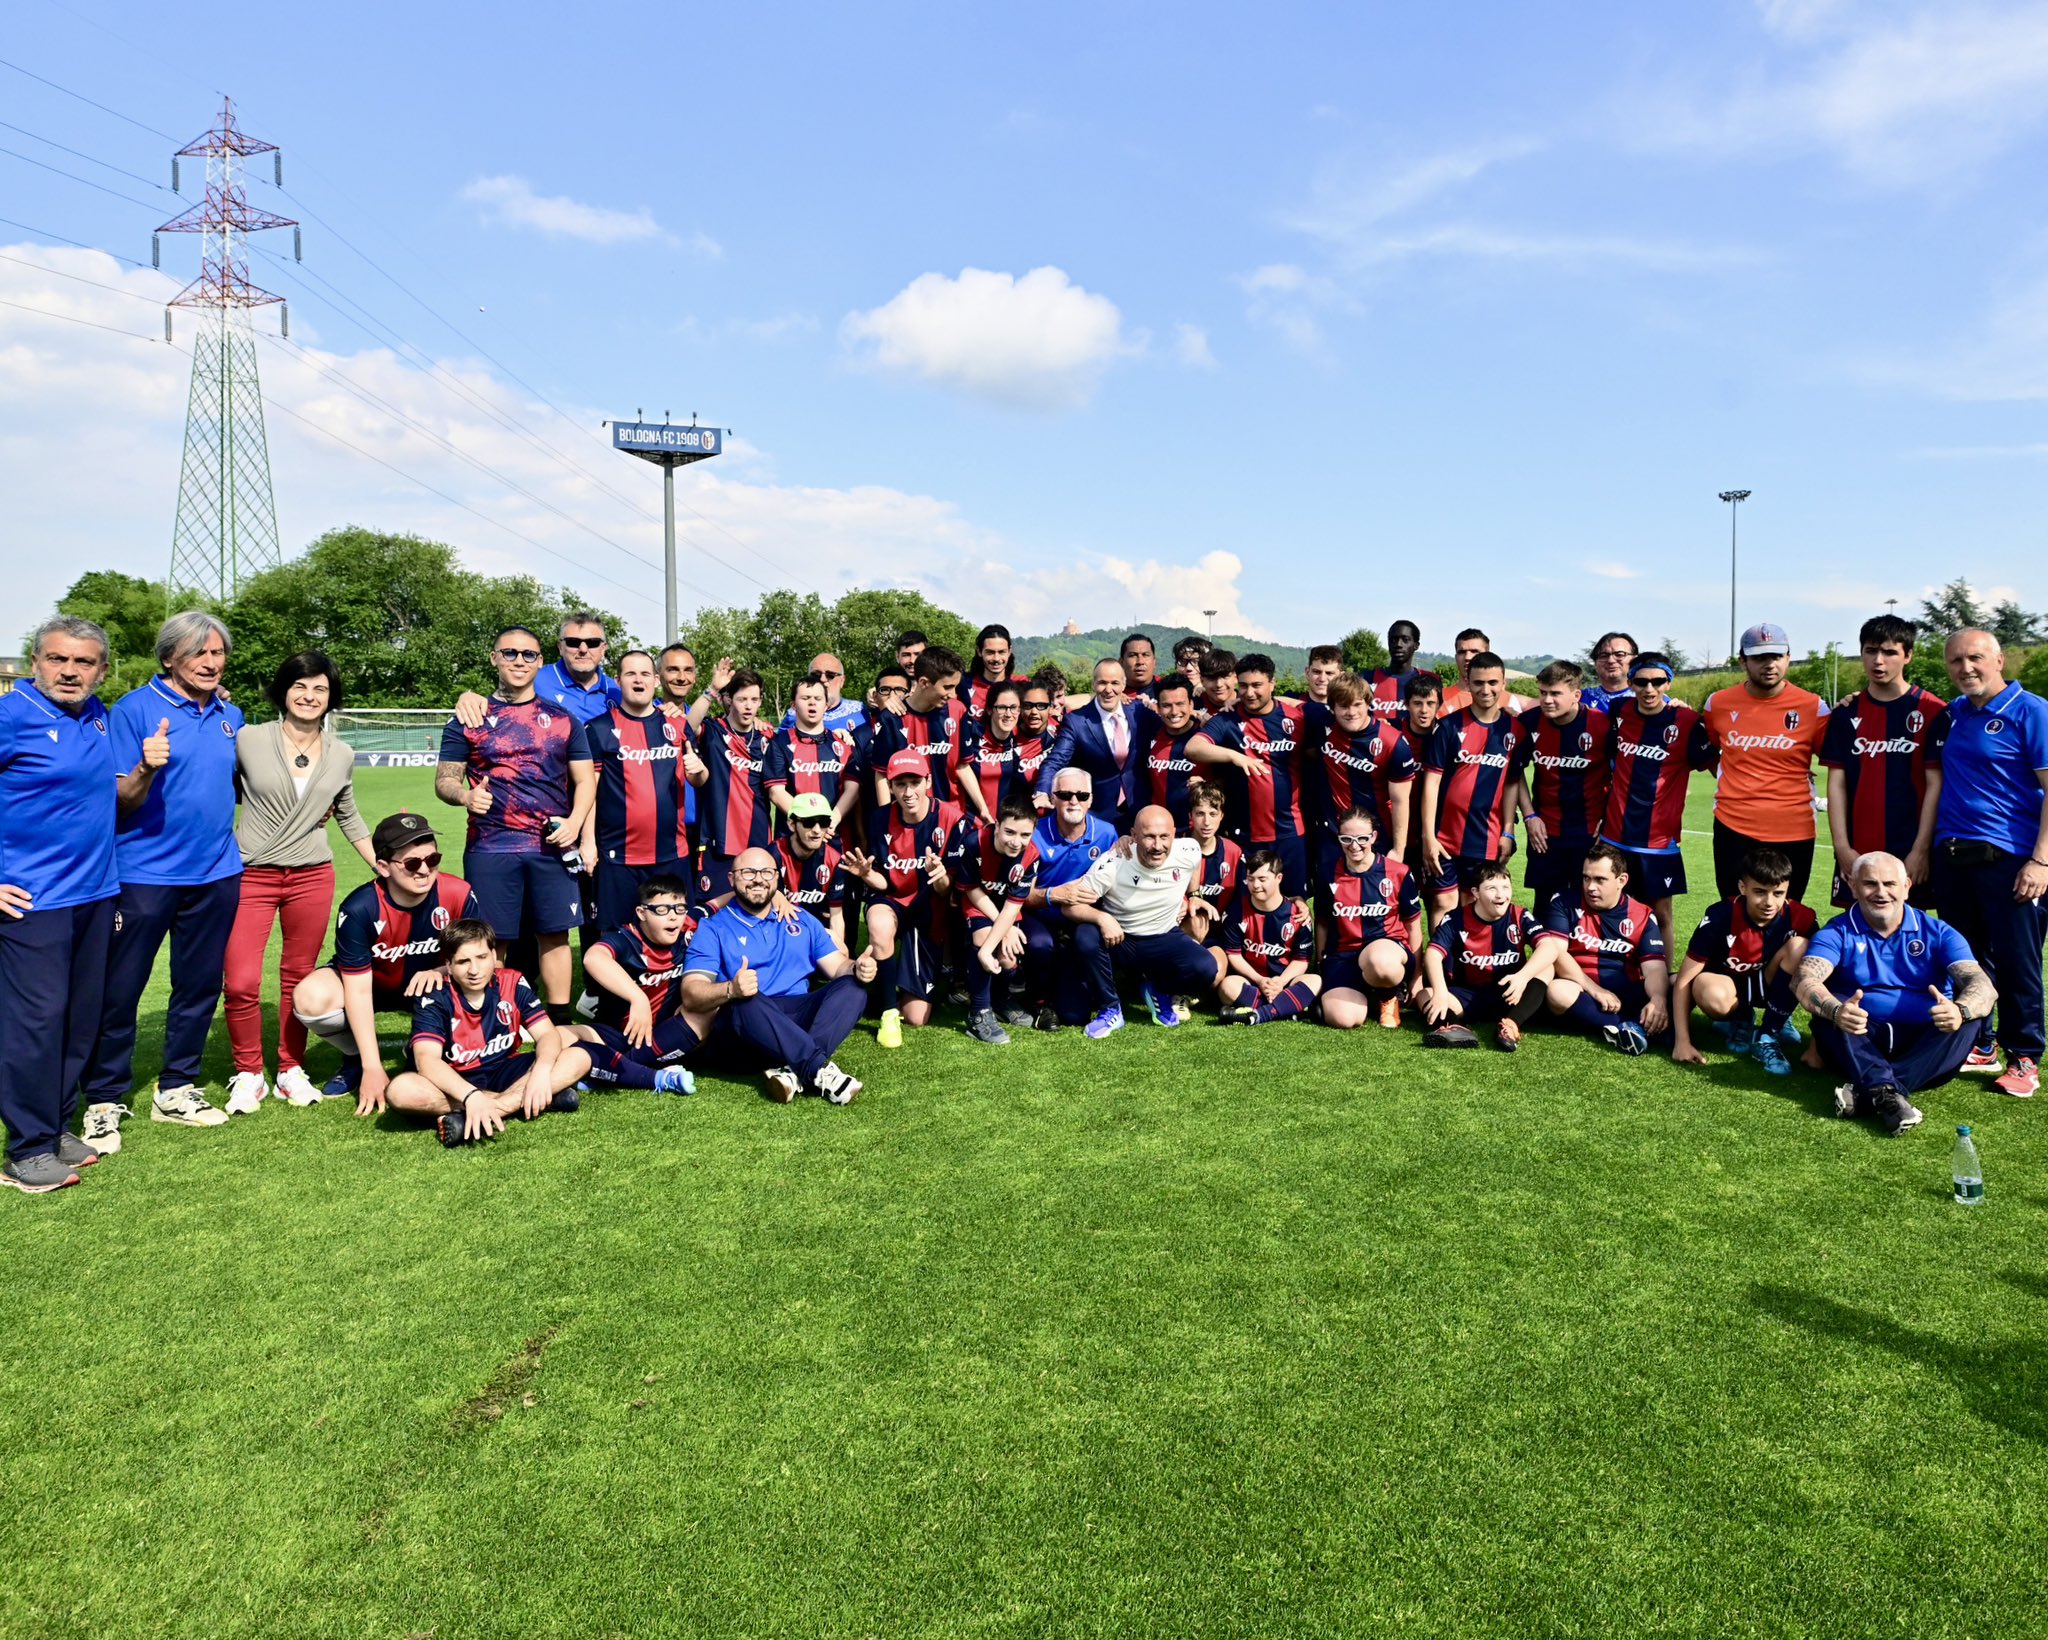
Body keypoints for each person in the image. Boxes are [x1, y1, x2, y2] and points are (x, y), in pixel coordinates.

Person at [81, 611, 245, 1133]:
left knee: (198, 987)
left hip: (217, 873)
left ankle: (177, 1087)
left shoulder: (230, 714)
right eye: (199, 653)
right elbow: (119, 801)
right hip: (144, 874)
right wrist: (147, 767)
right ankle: (104, 1098)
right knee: (121, 988)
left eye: (218, 653)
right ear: (170, 657)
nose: (211, 662)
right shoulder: (133, 710)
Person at [223, 651, 376, 1114]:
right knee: (241, 982)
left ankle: (291, 1068)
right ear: (284, 690)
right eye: (300, 686)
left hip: (312, 876)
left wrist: (381, 865)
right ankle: (248, 1073)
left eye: (320, 689)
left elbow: (348, 816)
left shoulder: (342, 753)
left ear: (331, 698)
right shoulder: (248, 739)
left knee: (297, 978)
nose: (309, 696)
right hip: (251, 872)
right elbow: (218, 792)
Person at [0, 617, 121, 1189]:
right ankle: (26, 1149)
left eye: (83, 662)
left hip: (95, 894)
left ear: (101, 670)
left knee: (78, 1022)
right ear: (34, 661)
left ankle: (53, 1127)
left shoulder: (96, 716)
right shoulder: (10, 716)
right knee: (37, 1023)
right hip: (32, 901)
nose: (69, 671)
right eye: (57, 659)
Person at [434, 626, 594, 1012]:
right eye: (510, 653)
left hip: (551, 846)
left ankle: (557, 1021)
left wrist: (574, 823)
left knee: (554, 936)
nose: (519, 661)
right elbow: (444, 780)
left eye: (528, 655)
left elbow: (586, 779)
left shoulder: (562, 719)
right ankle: (495, 1020)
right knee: (492, 941)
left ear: (540, 662)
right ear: (494, 658)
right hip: (491, 848)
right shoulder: (468, 718)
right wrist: (465, 796)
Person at [1796, 851, 1998, 1136]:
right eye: (1870, 884)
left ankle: (1873, 1092)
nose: (1881, 893)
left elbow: (1983, 986)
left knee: (1970, 1022)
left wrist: (1959, 1010)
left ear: (1907, 886)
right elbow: (1804, 980)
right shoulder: (1838, 932)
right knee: (1830, 1015)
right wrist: (1838, 1011)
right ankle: (1889, 1094)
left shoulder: (1939, 932)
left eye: (1890, 884)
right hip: (1862, 1035)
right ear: (1852, 886)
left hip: (1924, 1039)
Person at [1929, 627, 2048, 1096]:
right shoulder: (1956, 713)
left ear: (2000, 660)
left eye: (1975, 658)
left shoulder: (2031, 712)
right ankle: (1982, 1042)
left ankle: (2025, 1057)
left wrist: (2041, 862)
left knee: (2019, 961)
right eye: (1956, 661)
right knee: (1968, 958)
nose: (1966, 669)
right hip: (1955, 857)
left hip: (2013, 858)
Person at [292, 811, 478, 1110]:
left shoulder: (458, 893)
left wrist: (442, 970)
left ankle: (425, 1048)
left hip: (432, 989)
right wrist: (372, 1066)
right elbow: (359, 990)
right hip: (373, 985)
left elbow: (486, 962)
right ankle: (354, 1057)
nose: (424, 871)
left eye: (432, 860)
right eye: (412, 863)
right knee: (311, 997)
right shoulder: (360, 908)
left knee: (471, 981)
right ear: (383, 867)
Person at [680, 847, 875, 1103]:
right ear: (731, 879)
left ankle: (794, 1071)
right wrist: (730, 989)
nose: (758, 879)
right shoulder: (713, 928)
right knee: (744, 1001)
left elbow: (837, 966)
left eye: (766, 872)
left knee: (853, 987)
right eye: (748, 872)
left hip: (793, 1020)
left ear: (776, 878)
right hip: (746, 1032)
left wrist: (856, 968)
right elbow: (691, 994)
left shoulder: (801, 918)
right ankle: (818, 1069)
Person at [387, 919, 591, 1146]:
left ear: (494, 955)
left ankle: (492, 1110)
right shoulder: (435, 996)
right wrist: (470, 1095)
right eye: (463, 962)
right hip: (454, 1080)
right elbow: (427, 1061)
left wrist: (542, 1072)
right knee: (400, 1090)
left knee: (578, 1056)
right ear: (449, 965)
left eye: (482, 958)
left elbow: (547, 1034)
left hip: (504, 1068)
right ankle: (532, 1101)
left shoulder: (512, 981)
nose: (474, 970)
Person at [1047, 805, 1222, 1037]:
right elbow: (1070, 906)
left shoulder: (1188, 848)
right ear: (1134, 835)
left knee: (1206, 968)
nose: (1157, 846)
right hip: (1119, 940)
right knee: (1084, 944)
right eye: (1149, 837)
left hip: (1163, 937)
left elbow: (1195, 861)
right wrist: (1102, 917)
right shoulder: (1115, 861)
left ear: (1175, 835)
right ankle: (1110, 1010)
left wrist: (1195, 895)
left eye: (1164, 837)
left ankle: (1159, 990)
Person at [1821, 613, 1944, 906]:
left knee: (1913, 927)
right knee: (1857, 927)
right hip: (1858, 848)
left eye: (1889, 652)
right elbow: (1836, 785)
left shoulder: (1933, 711)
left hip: (1912, 847)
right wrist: (1842, 848)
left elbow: (1935, 785)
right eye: (1871, 650)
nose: (1879, 660)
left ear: (1908, 656)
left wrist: (1920, 850)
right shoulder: (1845, 714)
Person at [1703, 622, 1830, 900]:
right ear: (1743, 661)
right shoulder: (1718, 704)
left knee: (1787, 916)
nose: (1769, 664)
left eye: (1776, 655)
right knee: (1734, 912)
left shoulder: (1814, 707)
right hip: (1732, 826)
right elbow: (1711, 748)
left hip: (1793, 828)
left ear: (1788, 657)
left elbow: (1837, 763)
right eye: (1759, 657)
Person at [842, 751, 962, 1045]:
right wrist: (865, 874)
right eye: (900, 784)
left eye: (914, 782)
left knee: (917, 1018)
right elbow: (884, 881)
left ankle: (893, 983)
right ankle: (886, 1013)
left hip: (928, 907)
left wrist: (939, 875)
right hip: (892, 901)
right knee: (880, 925)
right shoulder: (880, 818)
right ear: (891, 787)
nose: (908, 792)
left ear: (928, 782)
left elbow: (947, 891)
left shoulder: (950, 818)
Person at [1601, 652, 1716, 957]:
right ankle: (1613, 971)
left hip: (1658, 841)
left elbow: (1716, 766)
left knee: (1661, 912)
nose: (1649, 689)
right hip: (1614, 836)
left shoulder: (1688, 721)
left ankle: (1664, 980)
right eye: (1641, 681)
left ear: (1669, 682)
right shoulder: (1619, 709)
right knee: (1607, 907)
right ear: (1630, 682)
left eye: (1657, 681)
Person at [1669, 847, 1816, 1075]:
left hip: (1769, 982)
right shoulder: (1720, 916)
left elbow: (1824, 976)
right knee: (1709, 991)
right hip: (1728, 986)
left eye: (1778, 893)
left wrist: (1816, 1045)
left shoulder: (1802, 917)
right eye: (1759, 891)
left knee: (1801, 948)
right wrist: (1682, 1041)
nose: (1769, 902)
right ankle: (1741, 1018)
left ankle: (1771, 1028)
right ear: (1742, 887)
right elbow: (1684, 980)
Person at [582, 649, 694, 938]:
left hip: (671, 853)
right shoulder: (599, 728)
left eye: (645, 673)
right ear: (618, 680)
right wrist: (588, 841)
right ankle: (608, 985)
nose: (638, 680)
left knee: (674, 933)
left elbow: (700, 778)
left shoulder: (677, 725)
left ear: (656, 680)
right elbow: (588, 790)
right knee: (615, 935)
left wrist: (699, 771)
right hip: (618, 856)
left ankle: (670, 984)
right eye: (630, 674)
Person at [1188, 652, 1316, 897]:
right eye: (1243, 685)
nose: (1249, 693)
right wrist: (1236, 756)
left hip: (1290, 830)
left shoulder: (1297, 718)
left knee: (1294, 903)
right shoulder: (1227, 720)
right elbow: (1193, 748)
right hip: (1246, 833)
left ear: (1272, 683)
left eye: (1257, 685)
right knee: (1247, 901)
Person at [567, 873, 704, 1096]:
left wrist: (776, 895)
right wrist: (637, 997)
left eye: (679, 908)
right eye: (661, 910)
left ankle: (612, 1069)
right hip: (617, 1034)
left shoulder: (687, 925)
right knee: (558, 1037)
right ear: (641, 913)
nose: (673, 917)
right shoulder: (626, 939)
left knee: (705, 1012)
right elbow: (593, 957)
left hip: (663, 1034)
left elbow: (717, 903)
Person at [1538, 843, 1672, 1056]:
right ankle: (1629, 1026)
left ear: (1622, 881)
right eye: (1586, 878)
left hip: (1627, 991)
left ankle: (1636, 1022)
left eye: (1600, 880)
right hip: (1583, 991)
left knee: (1678, 984)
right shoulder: (1563, 903)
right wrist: (1596, 990)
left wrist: (1657, 999)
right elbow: (1556, 954)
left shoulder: (1642, 915)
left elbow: (1654, 968)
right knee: (1556, 991)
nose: (1590, 887)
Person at [1419, 650, 1521, 915]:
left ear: (1503, 683)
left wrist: (1508, 831)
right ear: (1468, 681)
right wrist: (1428, 836)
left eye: (1492, 683)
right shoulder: (1449, 726)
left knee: (1473, 904)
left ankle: (1467, 958)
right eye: (1478, 683)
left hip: (1486, 838)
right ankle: (1441, 958)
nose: (1485, 689)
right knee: (1443, 902)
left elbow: (1512, 784)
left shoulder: (1515, 731)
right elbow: (1431, 783)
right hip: (1445, 837)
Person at [1511, 660, 1610, 921]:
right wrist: (1530, 815)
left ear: (1576, 695)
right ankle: (1546, 962)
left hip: (1589, 833)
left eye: (1555, 693)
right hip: (1545, 834)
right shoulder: (1529, 722)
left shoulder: (1602, 725)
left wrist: (1609, 818)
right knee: (1545, 906)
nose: (1547, 700)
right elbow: (1515, 771)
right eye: (1543, 692)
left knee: (1589, 907)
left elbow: (1621, 775)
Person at [1023, 768, 1121, 1030]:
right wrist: (1055, 895)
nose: (1073, 801)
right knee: (1041, 944)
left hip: (1080, 920)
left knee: (1075, 1016)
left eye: (1081, 794)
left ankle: (1098, 995)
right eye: (1065, 795)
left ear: (1091, 799)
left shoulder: (1107, 834)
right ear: (1052, 799)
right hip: (1041, 917)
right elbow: (1021, 895)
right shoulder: (1035, 833)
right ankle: (1038, 1001)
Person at [1421, 861, 1550, 1051]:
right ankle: (1455, 1028)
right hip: (1465, 995)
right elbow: (1432, 954)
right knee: (1425, 994)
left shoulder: (1520, 915)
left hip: (1507, 994)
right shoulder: (1456, 918)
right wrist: (1440, 993)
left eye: (1506, 887)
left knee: (1547, 966)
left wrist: (1522, 977)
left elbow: (1549, 946)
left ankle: (1511, 1024)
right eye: (1491, 888)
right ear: (1475, 893)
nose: (1501, 895)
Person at [946, 794, 1043, 1043]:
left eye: (1025, 835)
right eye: (1009, 832)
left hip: (1008, 909)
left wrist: (1006, 929)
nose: (1016, 842)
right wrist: (986, 948)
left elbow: (1013, 904)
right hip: (979, 903)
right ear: (997, 825)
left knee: (1008, 957)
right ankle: (979, 1013)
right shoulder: (974, 842)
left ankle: (1000, 1001)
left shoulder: (1031, 855)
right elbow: (971, 890)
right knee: (983, 937)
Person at [1315, 806, 1422, 1029]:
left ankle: (1389, 996)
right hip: (1344, 955)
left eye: (1362, 838)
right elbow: (1323, 922)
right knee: (1343, 1019)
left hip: (1386, 951)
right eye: (1346, 839)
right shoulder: (1327, 872)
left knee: (1379, 962)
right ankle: (1372, 995)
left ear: (1373, 836)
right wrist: (1320, 964)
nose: (1354, 846)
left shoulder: (1398, 872)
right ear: (1339, 837)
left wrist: (1417, 976)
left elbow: (1413, 926)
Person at [1308, 673, 1417, 883]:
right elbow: (1283, 702)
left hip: (1376, 837)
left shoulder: (1393, 742)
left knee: (1375, 903)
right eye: (1343, 706)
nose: (1351, 712)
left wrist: (1398, 850)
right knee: (1331, 904)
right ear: (1332, 707)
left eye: (1357, 704)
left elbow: (1400, 801)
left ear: (1368, 703)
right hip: (1332, 835)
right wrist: (1234, 698)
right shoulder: (1321, 721)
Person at [684, 659, 772, 912]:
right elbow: (686, 726)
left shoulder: (768, 737)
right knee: (713, 910)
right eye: (742, 699)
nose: (748, 706)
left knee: (755, 907)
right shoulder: (713, 730)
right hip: (717, 839)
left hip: (757, 838)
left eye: (754, 700)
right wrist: (712, 690)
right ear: (730, 699)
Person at [453, 611, 621, 729]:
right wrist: (468, 697)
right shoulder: (535, 678)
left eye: (592, 643)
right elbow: (500, 699)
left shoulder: (619, 690)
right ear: (560, 647)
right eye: (573, 642)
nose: (583, 649)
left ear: (604, 648)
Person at [1036, 657, 1151, 824]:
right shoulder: (1076, 721)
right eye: (1102, 682)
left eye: (1115, 683)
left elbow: (1172, 728)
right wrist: (1042, 791)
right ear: (1093, 684)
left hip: (1139, 811)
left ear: (1124, 685)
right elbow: (1055, 761)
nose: (1108, 689)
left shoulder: (1141, 713)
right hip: (1097, 815)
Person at [1217, 849, 1319, 1024]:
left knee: (1315, 980)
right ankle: (1290, 1008)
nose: (1255, 885)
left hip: (1286, 981)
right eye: (1250, 879)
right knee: (1227, 986)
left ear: (1278, 878)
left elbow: (1301, 959)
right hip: (1252, 981)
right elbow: (1233, 955)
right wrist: (1260, 980)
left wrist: (1280, 982)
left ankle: (1260, 1014)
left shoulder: (1297, 915)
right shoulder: (1235, 912)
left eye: (1262, 879)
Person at [868, 646, 970, 811]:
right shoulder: (892, 718)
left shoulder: (957, 711)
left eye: (955, 687)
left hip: (951, 813)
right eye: (947, 687)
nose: (952, 694)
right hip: (908, 818)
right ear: (923, 683)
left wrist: (983, 810)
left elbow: (962, 766)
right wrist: (885, 818)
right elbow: (881, 773)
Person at [763, 671, 864, 833]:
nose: (812, 703)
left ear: (826, 706)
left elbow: (852, 789)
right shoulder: (779, 743)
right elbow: (776, 792)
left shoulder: (842, 744)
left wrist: (830, 822)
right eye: (805, 698)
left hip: (834, 838)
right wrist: (810, 824)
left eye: (817, 699)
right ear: (793, 705)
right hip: (794, 839)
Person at [773, 791, 852, 948]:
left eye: (823, 822)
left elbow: (836, 916)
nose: (817, 830)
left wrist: (840, 951)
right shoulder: (773, 856)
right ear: (791, 824)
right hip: (780, 938)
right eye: (809, 822)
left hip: (817, 936)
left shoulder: (834, 860)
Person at [1136, 674, 1206, 832]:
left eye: (1180, 704)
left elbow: (1228, 779)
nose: (1174, 712)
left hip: (1195, 832)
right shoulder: (1149, 734)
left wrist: (1208, 786)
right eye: (1167, 705)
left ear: (1191, 705)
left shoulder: (1206, 736)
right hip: (1157, 832)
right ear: (1158, 708)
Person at [957, 680, 1034, 821]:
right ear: (989, 709)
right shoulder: (971, 732)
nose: (1008, 714)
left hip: (1004, 826)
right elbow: (960, 767)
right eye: (1002, 708)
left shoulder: (1022, 738)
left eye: (1014, 707)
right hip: (971, 821)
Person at [780, 651, 865, 734]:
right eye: (816, 675)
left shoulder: (858, 710)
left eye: (830, 675)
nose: (822, 679)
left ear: (842, 681)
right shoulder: (793, 714)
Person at [963, 624, 1028, 716]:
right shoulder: (963, 684)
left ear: (1009, 651)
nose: (996, 659)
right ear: (979, 651)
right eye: (990, 652)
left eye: (1002, 652)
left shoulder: (1022, 685)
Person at [1367, 620, 1423, 721]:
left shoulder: (1426, 680)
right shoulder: (1366, 679)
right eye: (1393, 640)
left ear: (1416, 645)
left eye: (1405, 640)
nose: (1398, 644)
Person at [1582, 633, 1639, 712]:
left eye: (1619, 655)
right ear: (1595, 663)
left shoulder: (1653, 700)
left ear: (1635, 660)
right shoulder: (1577, 699)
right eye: (1604, 655)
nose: (1611, 661)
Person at [1120, 632, 1161, 698]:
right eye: (1132, 655)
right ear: (1121, 662)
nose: (1140, 662)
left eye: (1146, 655)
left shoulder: (1168, 688)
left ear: (1154, 662)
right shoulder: (1112, 694)